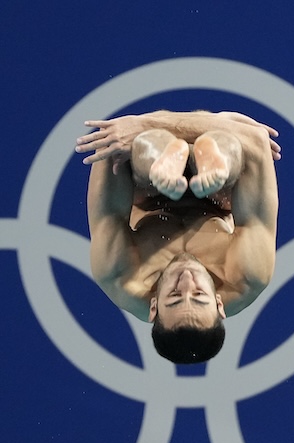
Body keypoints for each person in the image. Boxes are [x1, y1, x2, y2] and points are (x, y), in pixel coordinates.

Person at [75, 110, 282, 364]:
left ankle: (165, 156)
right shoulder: (248, 275)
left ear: (154, 308)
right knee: (227, 148)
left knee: (145, 149)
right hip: (218, 195)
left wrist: (143, 127)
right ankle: (210, 154)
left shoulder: (119, 274)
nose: (186, 282)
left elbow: (109, 148)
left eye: (173, 296)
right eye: (199, 295)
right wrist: (224, 127)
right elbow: (257, 142)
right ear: (219, 304)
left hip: (149, 190)